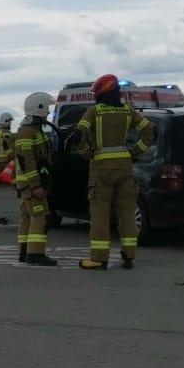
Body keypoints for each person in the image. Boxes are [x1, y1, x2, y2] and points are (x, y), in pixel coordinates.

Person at [73, 74, 154, 270]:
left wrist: (86, 154)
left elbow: (79, 135)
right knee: (127, 213)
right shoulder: (128, 111)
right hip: (125, 168)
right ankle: (129, 256)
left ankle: (99, 258)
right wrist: (134, 152)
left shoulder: (94, 112)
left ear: (101, 93)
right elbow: (151, 130)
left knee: (99, 214)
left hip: (101, 170)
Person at [13, 92, 57, 265]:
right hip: (31, 185)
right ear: (40, 108)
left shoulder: (32, 130)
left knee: (26, 217)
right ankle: (36, 254)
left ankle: (24, 251)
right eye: (47, 109)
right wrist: (36, 185)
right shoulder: (27, 132)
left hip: (27, 184)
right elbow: (27, 160)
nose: (48, 113)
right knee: (41, 216)